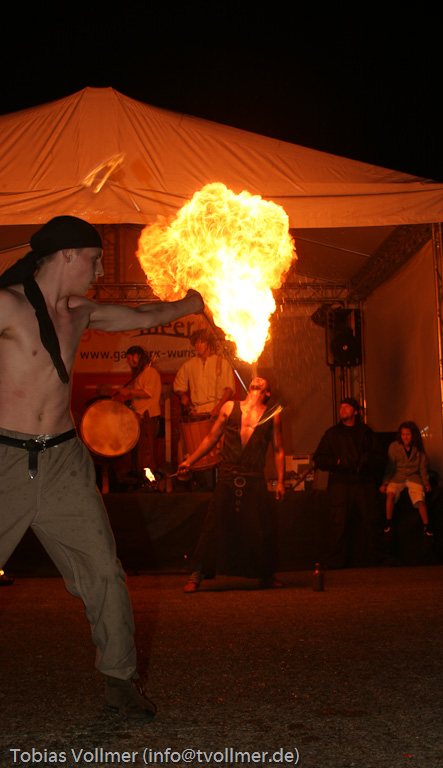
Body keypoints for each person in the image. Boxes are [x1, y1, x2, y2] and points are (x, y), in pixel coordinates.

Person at [0, 215, 203, 718]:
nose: (99, 271)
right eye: (94, 260)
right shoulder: (6, 305)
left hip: (65, 461)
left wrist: (194, 304)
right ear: (67, 254)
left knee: (104, 573)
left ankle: (120, 682)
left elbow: (144, 314)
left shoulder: (81, 312)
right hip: (6, 458)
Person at [178, 377, 285, 592]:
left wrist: (281, 481)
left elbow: (278, 449)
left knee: (262, 526)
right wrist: (190, 461)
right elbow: (211, 438)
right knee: (212, 524)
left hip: (254, 476)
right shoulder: (229, 406)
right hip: (228, 474)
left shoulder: (272, 414)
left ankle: (266, 575)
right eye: (255, 381)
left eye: (262, 382)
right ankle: (196, 573)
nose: (257, 380)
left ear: (267, 393)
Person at [313, 397, 385, 569]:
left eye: (347, 407)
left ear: (355, 411)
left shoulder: (366, 432)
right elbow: (319, 458)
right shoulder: (332, 434)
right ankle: (335, 561)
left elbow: (380, 457)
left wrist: (366, 462)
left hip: (363, 482)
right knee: (338, 524)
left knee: (372, 521)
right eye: (341, 407)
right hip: (341, 483)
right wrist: (337, 462)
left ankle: (379, 558)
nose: (342, 409)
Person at [116, 345, 162, 481]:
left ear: (136, 356)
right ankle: (141, 478)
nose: (128, 361)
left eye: (129, 358)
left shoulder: (150, 372)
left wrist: (129, 391)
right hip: (140, 418)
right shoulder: (142, 373)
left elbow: (148, 392)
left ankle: (149, 481)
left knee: (146, 452)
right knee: (139, 452)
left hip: (147, 416)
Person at [380, 421, 432, 539]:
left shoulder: (418, 448)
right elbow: (390, 467)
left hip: (414, 477)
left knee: (420, 499)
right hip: (398, 476)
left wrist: (426, 483)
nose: (405, 437)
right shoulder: (394, 447)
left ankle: (427, 527)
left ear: (413, 435)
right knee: (391, 494)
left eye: (408, 434)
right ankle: (388, 523)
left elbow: (423, 467)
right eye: (403, 434)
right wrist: (385, 483)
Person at [173, 329, 235, 421]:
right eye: (196, 342)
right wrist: (182, 395)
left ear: (209, 343)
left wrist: (218, 408)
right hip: (197, 412)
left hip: (218, 410)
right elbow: (179, 384)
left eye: (202, 342)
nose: (198, 345)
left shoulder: (222, 362)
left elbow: (229, 389)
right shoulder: (189, 364)